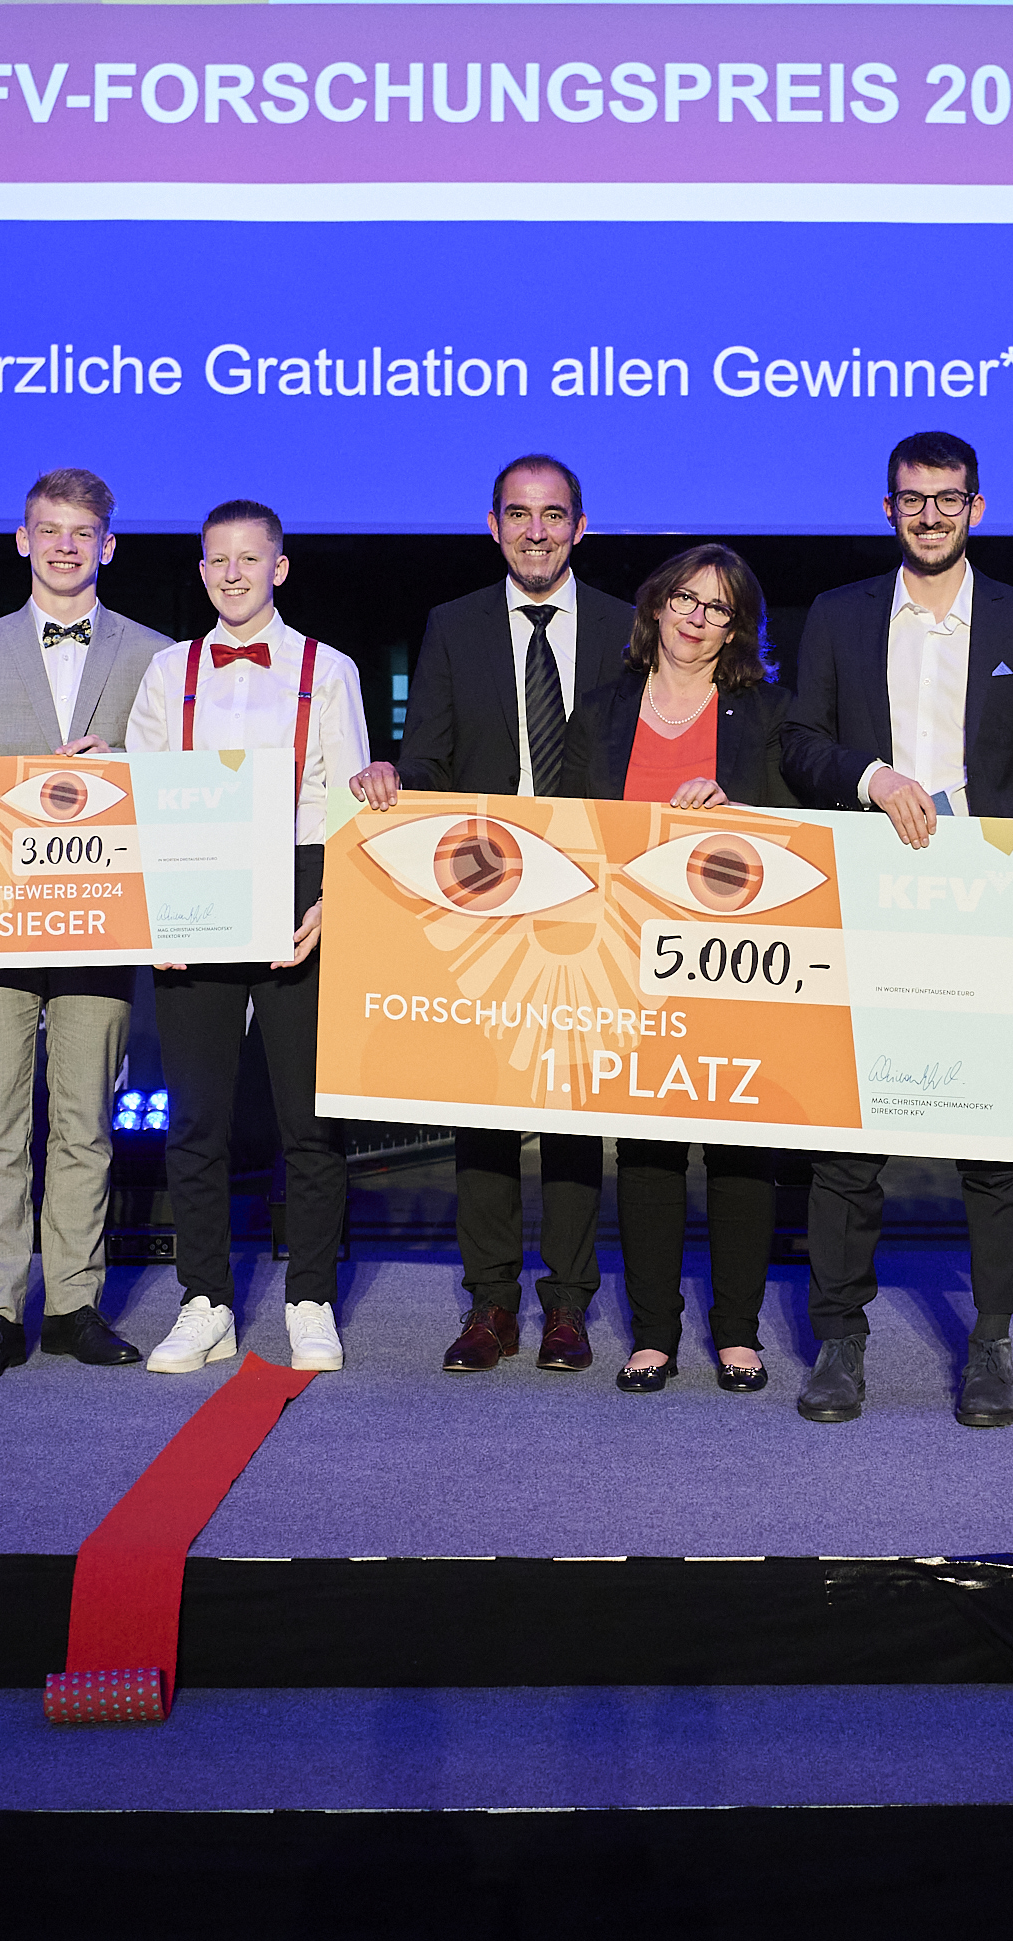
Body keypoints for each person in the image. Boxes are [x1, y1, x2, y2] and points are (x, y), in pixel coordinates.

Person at [779, 430, 1013, 1427]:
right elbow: (799, 742)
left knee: (995, 1137)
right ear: (888, 508)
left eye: (948, 499)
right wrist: (872, 777)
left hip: (990, 902)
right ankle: (840, 1338)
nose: (931, 515)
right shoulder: (838, 613)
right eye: (913, 498)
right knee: (847, 1131)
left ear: (976, 507)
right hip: (866, 898)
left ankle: (990, 1340)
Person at [349, 454, 629, 1375]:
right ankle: (491, 1303)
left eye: (552, 515)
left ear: (580, 526)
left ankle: (569, 1304)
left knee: (576, 1106)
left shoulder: (628, 625)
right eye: (518, 514)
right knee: (482, 1105)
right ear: (493, 524)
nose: (535, 531)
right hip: (480, 890)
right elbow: (427, 756)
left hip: (591, 893)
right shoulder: (453, 623)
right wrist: (393, 775)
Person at [0, 466, 167, 1382]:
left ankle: (72, 1304)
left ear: (109, 544)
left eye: (82, 531)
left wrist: (127, 763)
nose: (66, 546)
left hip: (101, 919)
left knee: (85, 1124)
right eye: (50, 529)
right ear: (23, 539)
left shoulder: (155, 652)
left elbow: (177, 784)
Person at [126, 501, 369, 1374]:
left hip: (298, 881)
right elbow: (141, 796)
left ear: (280, 567)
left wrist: (332, 901)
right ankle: (206, 1301)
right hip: (196, 877)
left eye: (249, 558)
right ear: (201, 571)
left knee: (309, 1117)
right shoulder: (167, 671)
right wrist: (153, 910)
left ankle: (310, 1297)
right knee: (196, 1116)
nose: (233, 573)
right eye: (218, 560)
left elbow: (351, 801)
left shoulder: (328, 668)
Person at [559, 544, 795, 1394]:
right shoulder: (601, 708)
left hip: (736, 957)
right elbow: (569, 824)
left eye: (719, 607)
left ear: (736, 629)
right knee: (648, 1149)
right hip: (628, 953)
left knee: (741, 1148)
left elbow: (801, 824)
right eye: (687, 599)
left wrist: (742, 813)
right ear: (657, 605)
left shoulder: (764, 711)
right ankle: (654, 1333)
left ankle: (737, 1333)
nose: (698, 617)